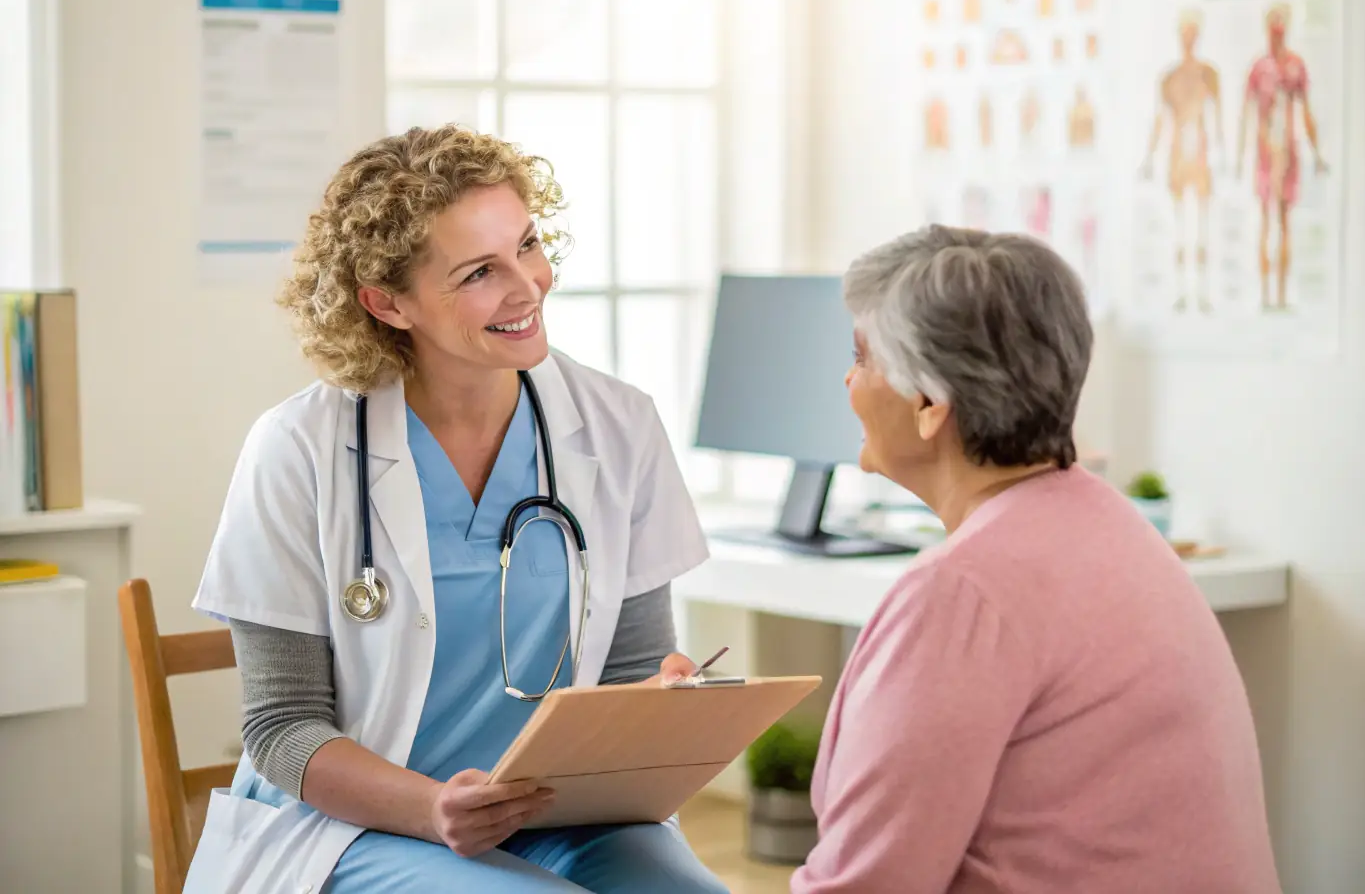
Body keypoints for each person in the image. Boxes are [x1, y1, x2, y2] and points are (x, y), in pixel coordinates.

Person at [186, 125, 728, 894]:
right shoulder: (298, 448)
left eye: (528, 246)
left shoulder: (619, 424)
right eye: (480, 272)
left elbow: (633, 668)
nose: (528, 286)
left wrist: (657, 709)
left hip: (559, 818)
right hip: (352, 828)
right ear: (388, 303)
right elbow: (282, 729)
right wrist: (433, 807)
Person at [791, 226, 1280, 894]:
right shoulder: (1110, 525)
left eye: (862, 358)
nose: (848, 381)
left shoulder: (960, 592)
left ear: (929, 403)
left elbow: (868, 886)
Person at [1236, 1, 1328, 311]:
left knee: (1285, 222)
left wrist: (1317, 153)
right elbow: (1247, 114)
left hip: (1289, 152)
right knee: (1266, 221)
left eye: (1281, 26)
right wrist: (1239, 157)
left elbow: (1307, 112)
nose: (1277, 32)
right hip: (1265, 155)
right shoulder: (1258, 68)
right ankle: (1264, 295)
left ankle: (1281, 295)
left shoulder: (1296, 66)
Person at [1142, 9, 1223, 313]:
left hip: (1200, 154)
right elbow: (1160, 120)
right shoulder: (1170, 78)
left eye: (1193, 32)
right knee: (1179, 228)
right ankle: (1180, 292)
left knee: (1200, 227)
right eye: (1184, 33)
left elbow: (1218, 119)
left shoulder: (1208, 74)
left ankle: (1202, 292)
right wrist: (1149, 157)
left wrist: (1222, 155)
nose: (1188, 38)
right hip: (1177, 156)